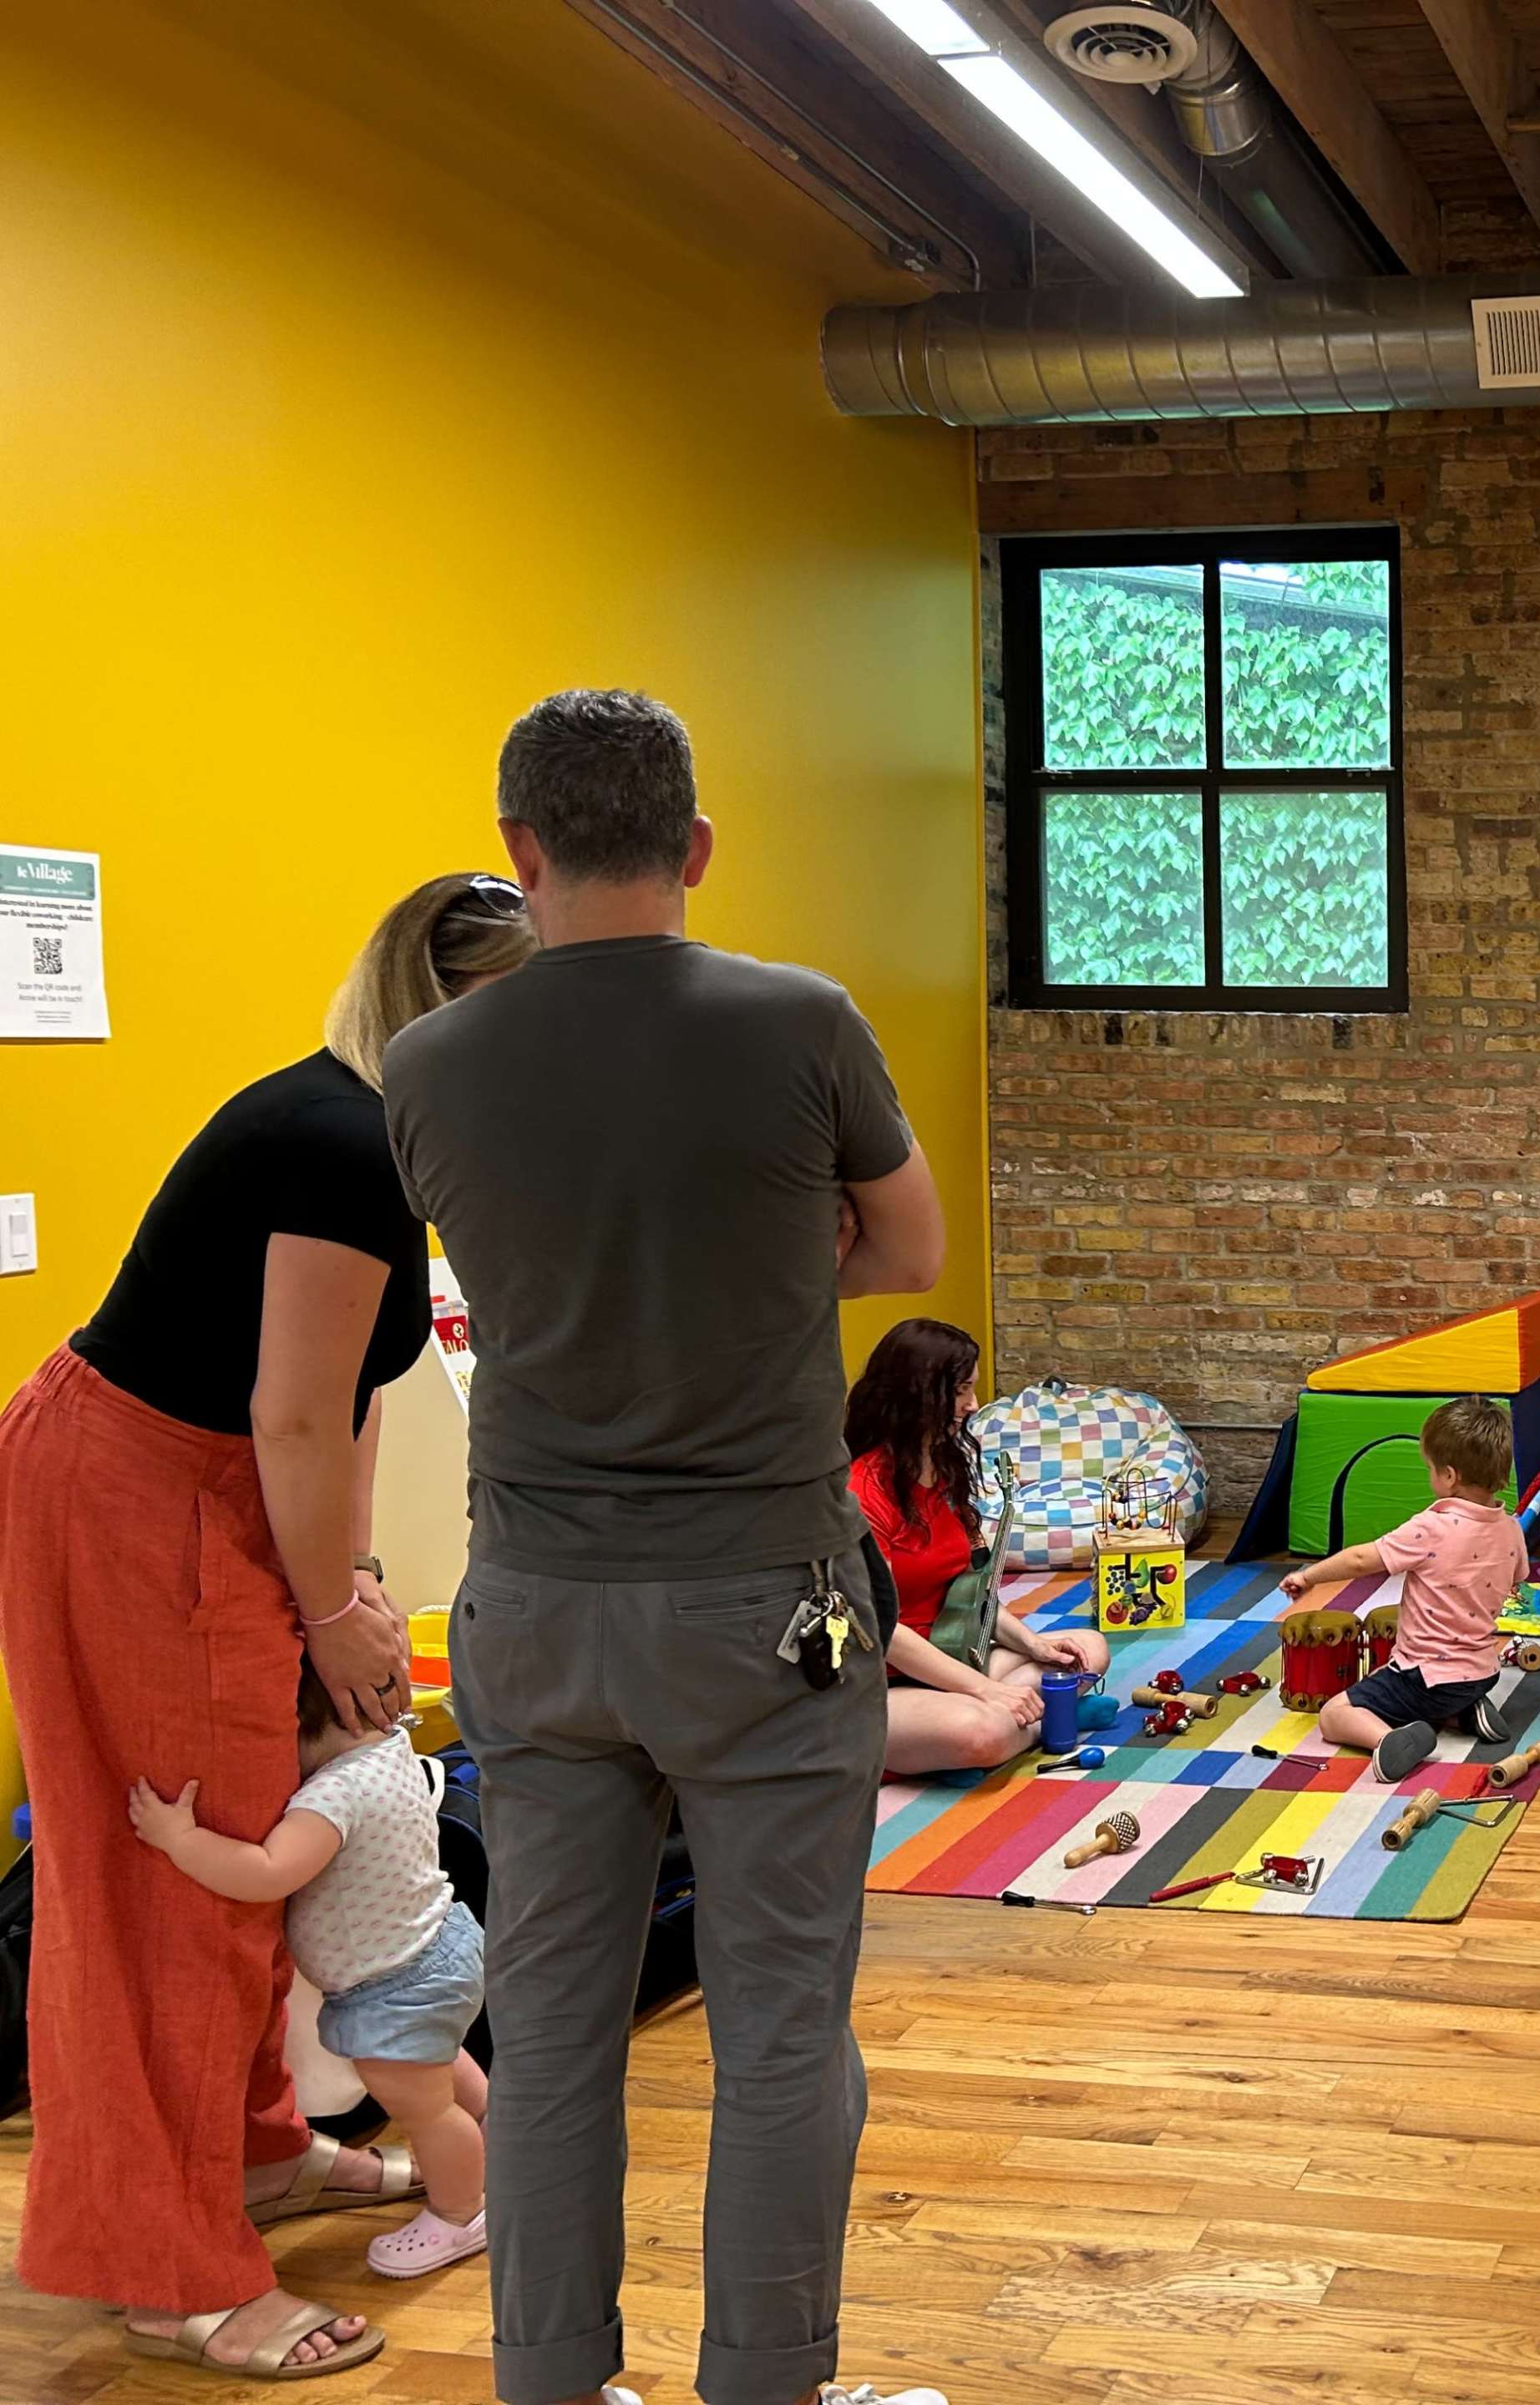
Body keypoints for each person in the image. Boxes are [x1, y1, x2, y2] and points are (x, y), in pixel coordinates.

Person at [382, 690, 953, 2405]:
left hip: (533, 1610)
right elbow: (908, 1248)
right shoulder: (800, 1022)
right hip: (761, 1607)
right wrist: (779, 1252)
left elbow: (508, 1260)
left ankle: (555, 2381)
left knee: (552, 2036)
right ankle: (767, 2383)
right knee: (781, 2031)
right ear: (696, 848)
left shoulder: (427, 1064)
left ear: (520, 850)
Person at [0, 872, 529, 2382]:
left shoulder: (394, 1137)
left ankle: (254, 2154)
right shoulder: (337, 1141)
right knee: (168, 1884)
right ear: (457, 1014)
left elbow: (351, 1395)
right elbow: (291, 1414)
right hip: (132, 1499)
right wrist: (331, 1613)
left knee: (243, 1852)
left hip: (220, 1491)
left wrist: (351, 1582)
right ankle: (172, 2274)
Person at [129, 1658, 492, 2280]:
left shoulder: (331, 1797)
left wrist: (179, 1839)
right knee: (437, 2065)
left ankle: (462, 2213)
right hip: (440, 1947)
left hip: (391, 1985)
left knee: (425, 2109)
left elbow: (268, 1872)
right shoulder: (391, 1746)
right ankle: (498, 2133)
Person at [846, 1319, 1107, 1777]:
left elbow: (970, 1594)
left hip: (954, 1655)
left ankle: (988, 1736)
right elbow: (880, 1630)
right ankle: (1044, 1723)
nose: (974, 1405)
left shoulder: (943, 1470)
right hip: (882, 1684)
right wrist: (986, 1691)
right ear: (917, 1393)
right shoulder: (864, 1491)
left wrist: (1035, 1645)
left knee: (1086, 1649)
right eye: (961, 1391)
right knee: (983, 1731)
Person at [1280, 1396, 1523, 1777]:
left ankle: (1390, 1740)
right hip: (1482, 1672)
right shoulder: (1511, 1528)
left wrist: (1309, 1576)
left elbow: (1361, 1560)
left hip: (1425, 1680)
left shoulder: (1432, 1528)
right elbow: (1517, 1579)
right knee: (1403, 1683)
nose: (1429, 1475)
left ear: (1449, 1476)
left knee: (1334, 1714)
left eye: (1430, 1469)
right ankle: (1464, 1713)